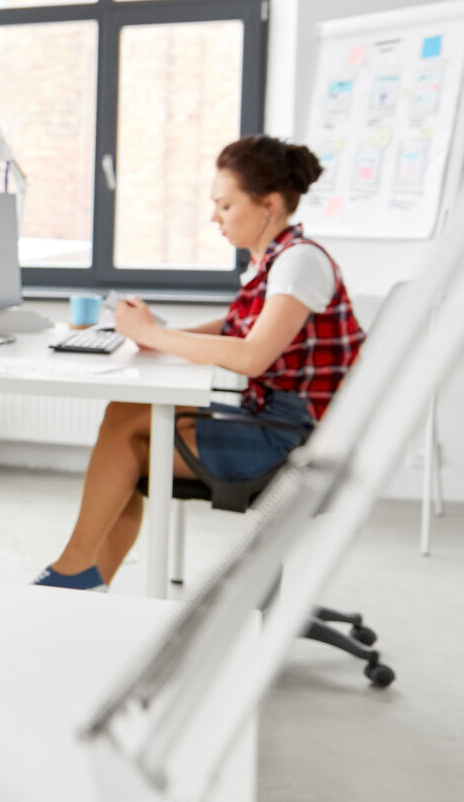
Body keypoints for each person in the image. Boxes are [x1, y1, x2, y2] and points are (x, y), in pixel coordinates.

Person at [35, 136, 365, 590]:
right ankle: (82, 578)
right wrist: (157, 335)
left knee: (128, 444)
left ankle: (75, 573)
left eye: (225, 206)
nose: (215, 217)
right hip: (270, 418)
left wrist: (155, 335)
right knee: (124, 417)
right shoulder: (273, 261)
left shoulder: (299, 263)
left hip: (292, 439)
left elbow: (252, 356)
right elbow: (235, 329)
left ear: (269, 205)